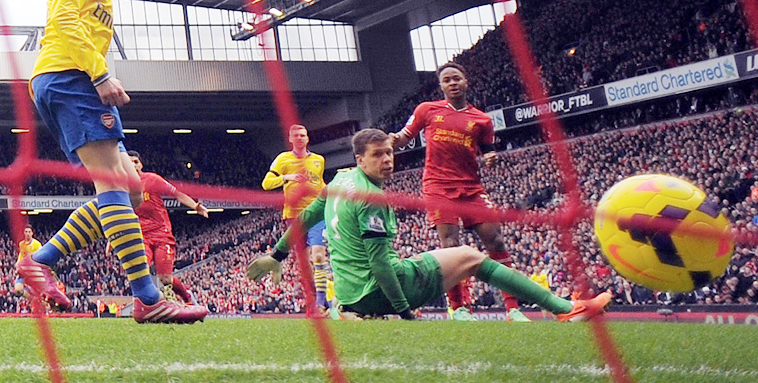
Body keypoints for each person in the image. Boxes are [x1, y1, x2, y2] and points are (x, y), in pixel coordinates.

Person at [18, 0, 206, 324]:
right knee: (113, 188)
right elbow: (64, 22)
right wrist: (100, 74)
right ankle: (147, 298)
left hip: (74, 79)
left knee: (133, 189)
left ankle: (38, 261)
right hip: (70, 78)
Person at [247, 129, 611, 322]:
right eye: (378, 155)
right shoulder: (371, 198)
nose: (388, 160)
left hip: (350, 292)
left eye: (390, 152)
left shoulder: (340, 180)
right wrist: (405, 311)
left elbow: (308, 215)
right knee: (471, 256)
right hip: (377, 290)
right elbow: (379, 264)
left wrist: (276, 255)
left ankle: (353, 310)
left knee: (456, 253)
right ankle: (565, 309)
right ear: (360, 158)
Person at [390, 61, 528, 322]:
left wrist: (491, 157)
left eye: (456, 79)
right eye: (447, 80)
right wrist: (394, 140)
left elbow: (488, 149)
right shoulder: (427, 110)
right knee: (450, 245)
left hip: (471, 187)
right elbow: (405, 136)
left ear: (466, 81)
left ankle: (513, 308)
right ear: (441, 86)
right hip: (438, 186)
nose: (452, 83)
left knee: (495, 240)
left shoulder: (482, 119)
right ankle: (459, 308)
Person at [261, 124, 330, 310]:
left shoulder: (318, 160)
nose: (300, 138)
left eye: (303, 135)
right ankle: (315, 299)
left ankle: (320, 300)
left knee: (319, 255)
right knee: (304, 262)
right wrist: (287, 177)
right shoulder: (283, 159)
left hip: (316, 213)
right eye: (296, 136)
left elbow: (319, 182)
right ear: (290, 139)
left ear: (307, 138)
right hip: (294, 215)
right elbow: (266, 184)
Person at [128, 150, 209, 305]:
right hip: (140, 235)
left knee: (165, 278)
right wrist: (113, 237)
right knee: (141, 269)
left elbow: (176, 194)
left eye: (136, 162)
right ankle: (149, 304)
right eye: (129, 162)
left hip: (161, 233)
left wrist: (195, 206)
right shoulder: (123, 186)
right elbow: (121, 211)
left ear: (141, 164)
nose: (133, 165)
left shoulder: (152, 180)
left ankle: (187, 298)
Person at [14, 225, 42, 297]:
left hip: (33, 271)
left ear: (32, 233)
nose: (27, 233)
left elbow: (41, 257)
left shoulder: (37, 244)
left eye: (29, 232)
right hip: (24, 271)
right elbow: (21, 255)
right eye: (26, 232)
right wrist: (17, 263)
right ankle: (31, 299)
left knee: (39, 293)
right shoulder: (21, 244)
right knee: (18, 289)